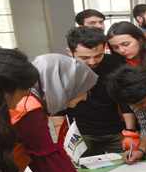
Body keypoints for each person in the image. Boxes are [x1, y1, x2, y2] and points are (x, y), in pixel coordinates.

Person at [7, 53, 112, 172]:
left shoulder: (30, 101)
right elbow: (44, 158)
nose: (84, 98)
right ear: (63, 84)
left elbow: (49, 149)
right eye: (82, 89)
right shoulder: (31, 109)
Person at [52, 27, 133, 157]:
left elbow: (125, 101)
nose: (92, 62)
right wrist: (65, 140)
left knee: (131, 162)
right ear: (70, 52)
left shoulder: (116, 63)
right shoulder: (62, 70)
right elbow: (58, 109)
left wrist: (131, 131)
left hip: (115, 129)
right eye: (84, 57)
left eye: (98, 56)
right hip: (81, 132)